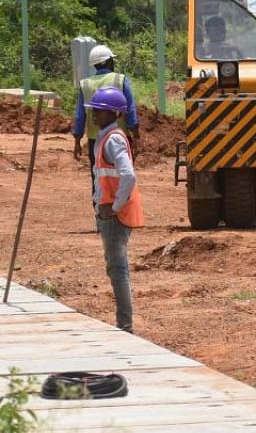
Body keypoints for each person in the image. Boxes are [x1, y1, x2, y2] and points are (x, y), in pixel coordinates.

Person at [86, 87, 144, 332]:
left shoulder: (114, 139)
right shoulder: (106, 137)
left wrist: (115, 205)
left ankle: (125, 326)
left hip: (114, 216)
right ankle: (124, 324)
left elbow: (128, 176)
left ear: (112, 113)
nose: (94, 116)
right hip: (109, 213)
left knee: (118, 269)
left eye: (98, 112)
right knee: (115, 267)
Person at [72, 44, 140, 195]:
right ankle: (121, 209)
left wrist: (77, 141)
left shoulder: (85, 84)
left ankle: (100, 210)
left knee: (98, 177)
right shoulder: (120, 80)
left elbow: (79, 116)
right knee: (122, 175)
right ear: (108, 62)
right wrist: (136, 137)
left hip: (94, 141)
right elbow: (130, 110)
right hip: (120, 137)